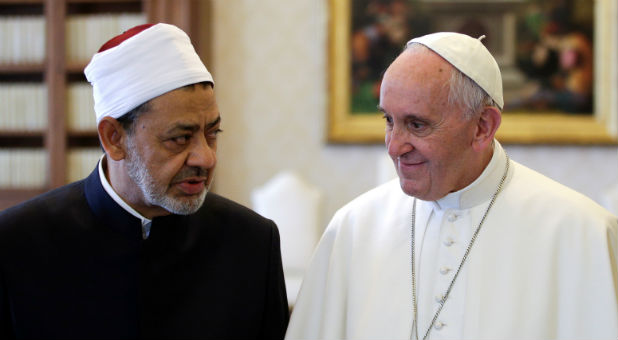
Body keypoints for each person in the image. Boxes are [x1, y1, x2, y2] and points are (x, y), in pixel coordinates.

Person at [286, 32, 618, 340]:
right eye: (389, 120)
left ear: (482, 127)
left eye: (416, 124)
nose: (394, 146)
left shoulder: (580, 233)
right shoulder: (354, 229)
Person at [0, 23, 289, 339]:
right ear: (114, 139)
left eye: (212, 134)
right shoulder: (16, 243)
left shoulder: (252, 244)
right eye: (180, 138)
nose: (206, 158)